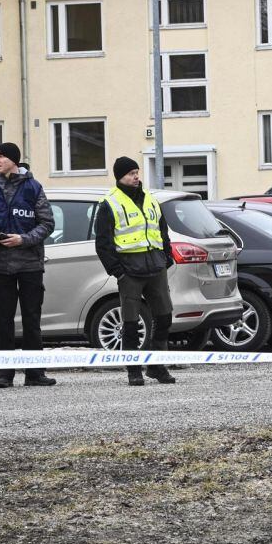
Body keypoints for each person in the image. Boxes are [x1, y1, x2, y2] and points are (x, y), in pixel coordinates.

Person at [0, 142, 57, 389]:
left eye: (2, 156)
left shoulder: (33, 188)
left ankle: (35, 373)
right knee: (3, 321)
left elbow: (47, 224)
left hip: (30, 264)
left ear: (14, 160)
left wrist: (23, 239)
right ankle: (4, 375)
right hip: (0, 266)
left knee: (32, 320)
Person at [94, 157, 177, 386]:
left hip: (155, 267)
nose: (136, 176)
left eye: (137, 172)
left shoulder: (150, 199)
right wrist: (118, 271)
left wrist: (166, 257)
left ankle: (157, 366)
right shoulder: (110, 203)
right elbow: (103, 244)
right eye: (131, 173)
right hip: (130, 271)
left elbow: (162, 231)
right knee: (130, 323)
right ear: (120, 176)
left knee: (164, 317)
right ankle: (134, 370)